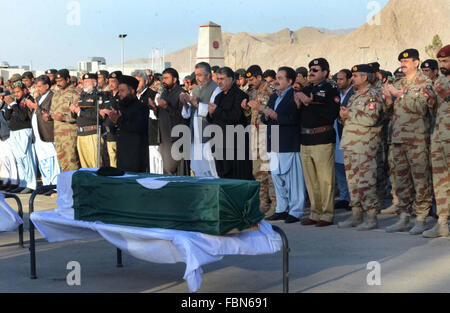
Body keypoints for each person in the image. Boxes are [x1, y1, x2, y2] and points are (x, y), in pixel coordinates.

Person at [383, 49, 436, 234]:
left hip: (417, 139)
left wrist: (400, 95)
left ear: (416, 62)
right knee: (401, 180)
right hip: (398, 138)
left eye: (406, 61)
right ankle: (404, 217)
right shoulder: (398, 83)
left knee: (420, 179)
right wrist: (389, 101)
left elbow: (422, 108)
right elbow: (391, 113)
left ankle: (421, 218)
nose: (403, 64)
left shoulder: (425, 83)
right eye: (401, 61)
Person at [338, 64, 385, 230]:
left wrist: (349, 114)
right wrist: (344, 115)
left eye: (356, 76)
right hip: (351, 143)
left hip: (364, 145)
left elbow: (371, 119)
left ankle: (371, 217)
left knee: (366, 182)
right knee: (353, 183)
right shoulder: (355, 95)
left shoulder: (373, 96)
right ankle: (356, 215)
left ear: (365, 77)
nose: (353, 78)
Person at [296, 58, 340, 227]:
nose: (311, 72)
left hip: (322, 137)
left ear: (325, 73)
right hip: (306, 138)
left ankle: (327, 215)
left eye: (315, 70)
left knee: (325, 179)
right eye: (310, 70)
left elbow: (329, 111)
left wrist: (307, 100)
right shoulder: (306, 88)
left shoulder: (330, 88)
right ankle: (315, 212)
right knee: (311, 180)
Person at [263, 67, 306, 223]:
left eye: (280, 78)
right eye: (276, 77)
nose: (276, 81)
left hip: (288, 141)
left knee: (292, 179)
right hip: (273, 139)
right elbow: (264, 117)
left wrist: (275, 116)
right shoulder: (274, 96)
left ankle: (296, 210)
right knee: (277, 177)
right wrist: (267, 116)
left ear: (289, 81)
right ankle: (281, 208)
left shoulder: (295, 96)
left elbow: (295, 119)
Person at [241, 65, 276, 214]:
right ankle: (262, 203)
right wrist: (247, 108)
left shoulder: (271, 91)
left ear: (259, 77)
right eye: (248, 80)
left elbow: (274, 111)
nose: (250, 82)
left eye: (252, 79)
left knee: (268, 171)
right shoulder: (252, 92)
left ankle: (275, 203)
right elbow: (251, 113)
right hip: (255, 134)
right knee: (257, 172)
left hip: (267, 134)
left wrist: (259, 107)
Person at [206, 67, 253, 180]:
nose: (219, 82)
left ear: (231, 79)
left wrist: (216, 110)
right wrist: (211, 114)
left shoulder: (240, 95)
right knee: (223, 179)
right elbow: (212, 120)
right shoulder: (218, 96)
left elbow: (235, 116)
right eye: (218, 79)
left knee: (237, 179)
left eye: (222, 78)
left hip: (236, 146)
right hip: (219, 146)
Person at [423, 44, 450, 238]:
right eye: (440, 61)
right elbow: (435, 111)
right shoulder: (440, 81)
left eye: (446, 61)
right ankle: (442, 223)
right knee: (440, 181)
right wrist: (431, 99)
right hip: (439, 136)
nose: (442, 65)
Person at [180, 62, 221, 177]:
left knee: (212, 169)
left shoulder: (216, 89)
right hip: (195, 135)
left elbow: (212, 111)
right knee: (197, 169)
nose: (197, 78)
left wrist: (196, 104)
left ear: (208, 75)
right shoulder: (195, 89)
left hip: (208, 135)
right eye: (196, 75)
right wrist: (185, 104)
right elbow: (187, 114)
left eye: (200, 75)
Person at [149, 68, 189, 176]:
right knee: (167, 171)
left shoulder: (181, 94)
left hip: (176, 138)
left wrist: (166, 107)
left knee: (177, 171)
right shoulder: (164, 93)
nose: (164, 81)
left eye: (166, 78)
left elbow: (183, 117)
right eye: (163, 78)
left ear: (175, 79)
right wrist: (155, 108)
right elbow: (161, 115)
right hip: (164, 138)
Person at [25, 75, 60, 193]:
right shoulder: (39, 97)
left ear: (47, 86)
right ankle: (46, 184)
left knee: (51, 159)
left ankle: (54, 185)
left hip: (47, 133)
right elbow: (36, 115)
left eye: (40, 86)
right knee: (43, 160)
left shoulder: (52, 97)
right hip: (38, 135)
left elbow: (48, 115)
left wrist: (36, 107)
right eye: (37, 86)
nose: (38, 88)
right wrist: (31, 109)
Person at [108, 75, 149, 173]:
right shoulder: (120, 106)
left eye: (122, 91)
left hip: (135, 156)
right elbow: (113, 130)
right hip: (122, 155)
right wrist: (113, 122)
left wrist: (118, 120)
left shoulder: (141, 107)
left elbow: (137, 127)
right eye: (119, 91)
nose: (119, 94)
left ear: (132, 91)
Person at [3, 81, 37, 194]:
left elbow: (23, 116)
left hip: (24, 130)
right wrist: (9, 105)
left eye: (18, 91)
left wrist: (13, 104)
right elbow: (7, 117)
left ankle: (31, 184)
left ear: (23, 90)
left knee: (26, 158)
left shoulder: (28, 99)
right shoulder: (15, 101)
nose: (16, 94)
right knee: (19, 159)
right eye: (14, 92)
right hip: (14, 131)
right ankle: (23, 183)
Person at [70, 73, 104, 168]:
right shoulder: (82, 96)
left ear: (94, 83)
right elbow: (77, 115)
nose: (84, 84)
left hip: (92, 134)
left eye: (87, 82)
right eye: (83, 82)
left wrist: (80, 112)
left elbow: (99, 116)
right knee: (85, 166)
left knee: (95, 165)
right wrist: (74, 110)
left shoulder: (99, 96)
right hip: (81, 134)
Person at [50, 69, 81, 172]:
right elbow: (52, 111)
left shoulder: (75, 93)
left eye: (61, 80)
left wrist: (64, 118)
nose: (58, 83)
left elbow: (80, 116)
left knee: (71, 161)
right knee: (62, 161)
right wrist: (49, 116)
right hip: (57, 133)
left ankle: (72, 185)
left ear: (67, 79)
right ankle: (65, 186)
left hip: (69, 134)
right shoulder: (56, 94)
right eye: (57, 81)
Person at [131, 70, 162, 174]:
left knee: (154, 171)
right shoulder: (132, 97)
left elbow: (160, 116)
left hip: (152, 140)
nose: (136, 84)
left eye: (138, 81)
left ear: (145, 81)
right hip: (137, 140)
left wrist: (153, 108)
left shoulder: (154, 95)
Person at [334, 69, 354, 211]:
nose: (338, 82)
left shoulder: (354, 94)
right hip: (336, 132)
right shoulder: (336, 94)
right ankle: (344, 197)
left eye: (341, 79)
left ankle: (353, 199)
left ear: (349, 80)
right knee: (339, 167)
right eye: (337, 79)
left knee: (350, 169)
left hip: (349, 134)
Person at [0, 93, 19, 191]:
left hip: (8, 135)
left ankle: (14, 181)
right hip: (1, 137)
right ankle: (6, 180)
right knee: (4, 159)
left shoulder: (5, 106)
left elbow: (8, 121)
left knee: (11, 159)